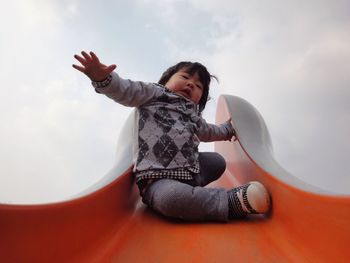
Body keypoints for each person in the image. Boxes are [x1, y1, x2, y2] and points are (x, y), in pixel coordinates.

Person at [73, 51, 271, 222]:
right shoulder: (152, 94)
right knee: (171, 200)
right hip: (158, 178)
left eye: (198, 86)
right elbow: (125, 90)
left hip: (190, 172)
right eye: (185, 77)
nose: (191, 85)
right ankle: (229, 203)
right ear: (166, 79)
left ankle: (192, 194)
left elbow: (209, 132)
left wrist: (228, 130)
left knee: (217, 161)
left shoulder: (192, 114)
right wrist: (103, 79)